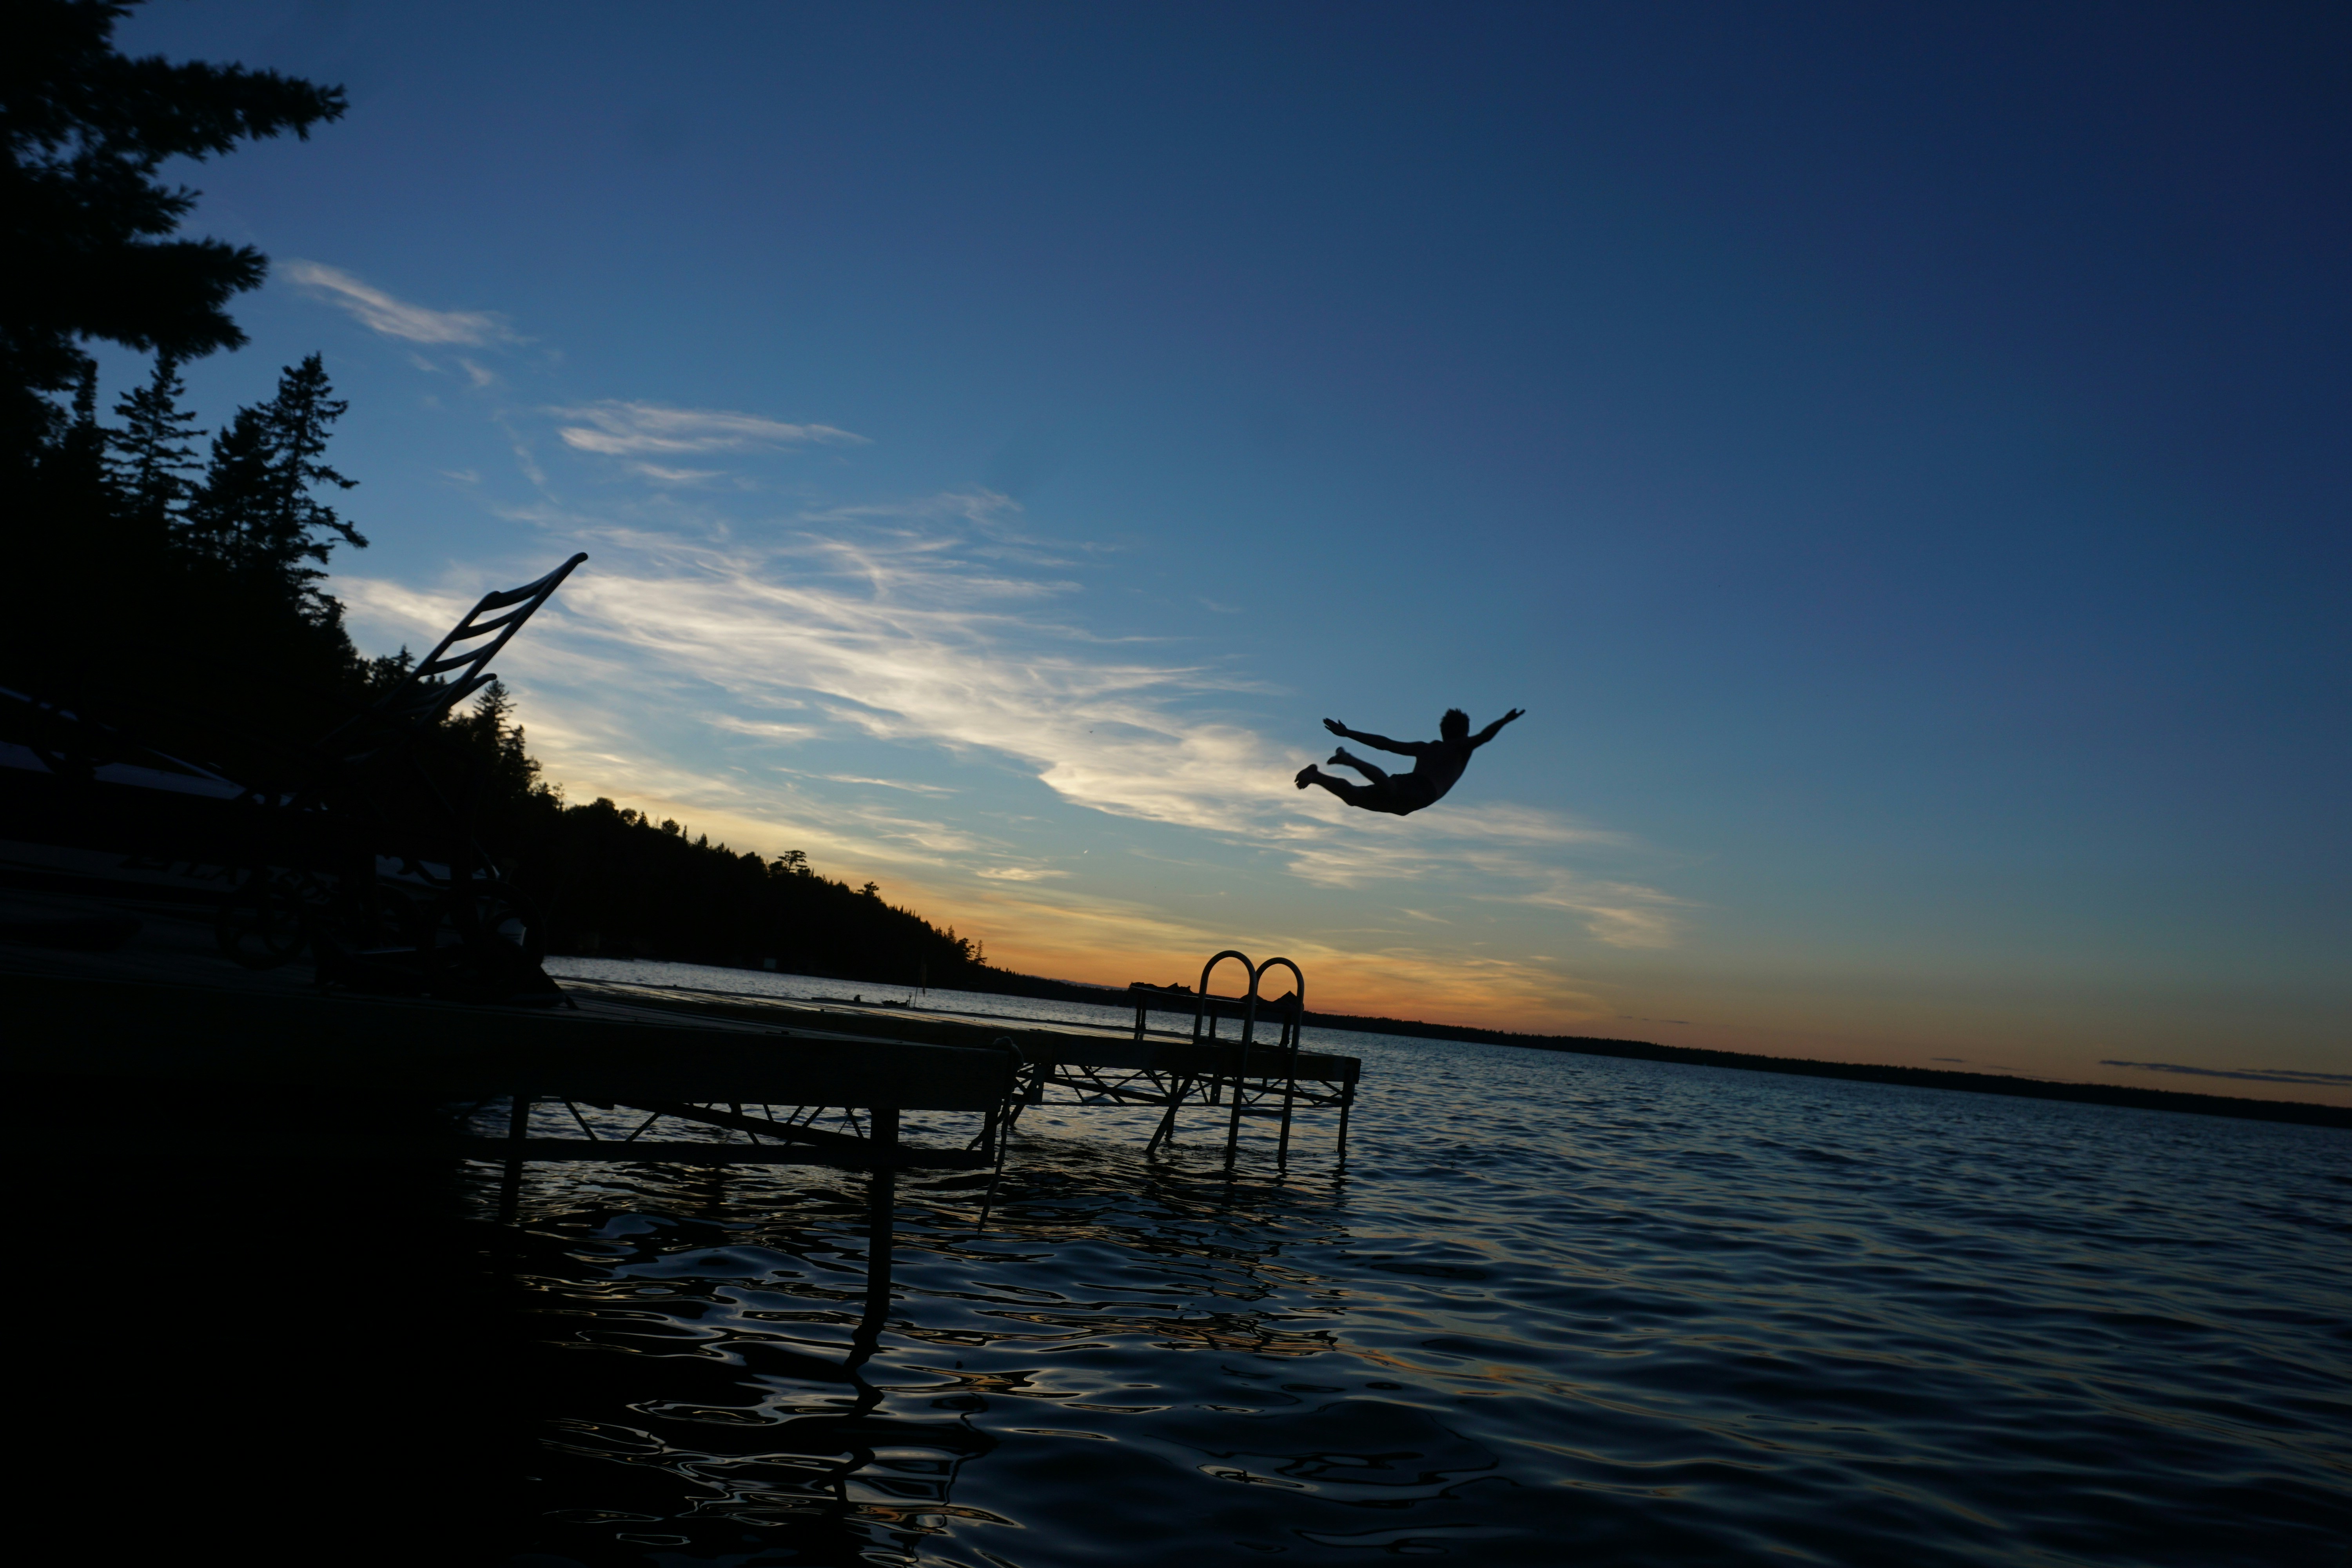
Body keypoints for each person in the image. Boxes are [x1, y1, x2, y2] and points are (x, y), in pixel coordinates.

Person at [1296, 707, 1524, 816]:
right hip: (1423, 792)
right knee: (1391, 789)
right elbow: (1485, 737)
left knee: (1355, 797)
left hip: (1411, 795)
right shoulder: (1461, 747)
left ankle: (1316, 776)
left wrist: (1349, 733)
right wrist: (1503, 721)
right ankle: (1349, 760)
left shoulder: (1425, 748)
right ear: (1465, 732)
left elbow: (1384, 743)